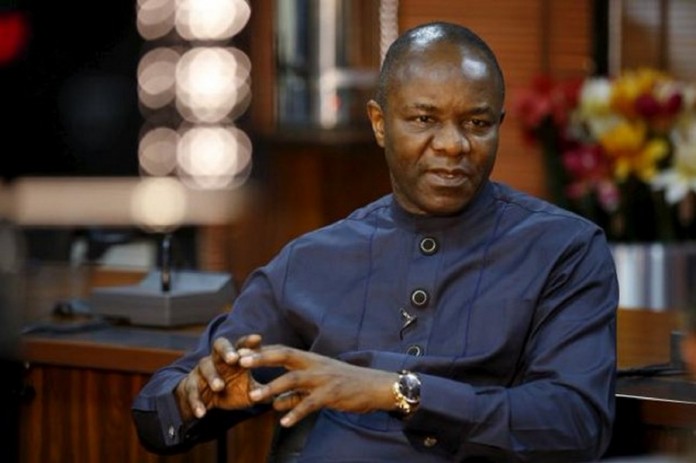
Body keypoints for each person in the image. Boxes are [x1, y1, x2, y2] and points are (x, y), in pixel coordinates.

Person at [132, 21, 619, 462]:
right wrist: (194, 398)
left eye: (477, 123)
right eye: (424, 119)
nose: (453, 144)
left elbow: (576, 423)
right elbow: (157, 411)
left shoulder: (563, 249)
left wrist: (398, 391)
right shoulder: (312, 260)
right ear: (380, 123)